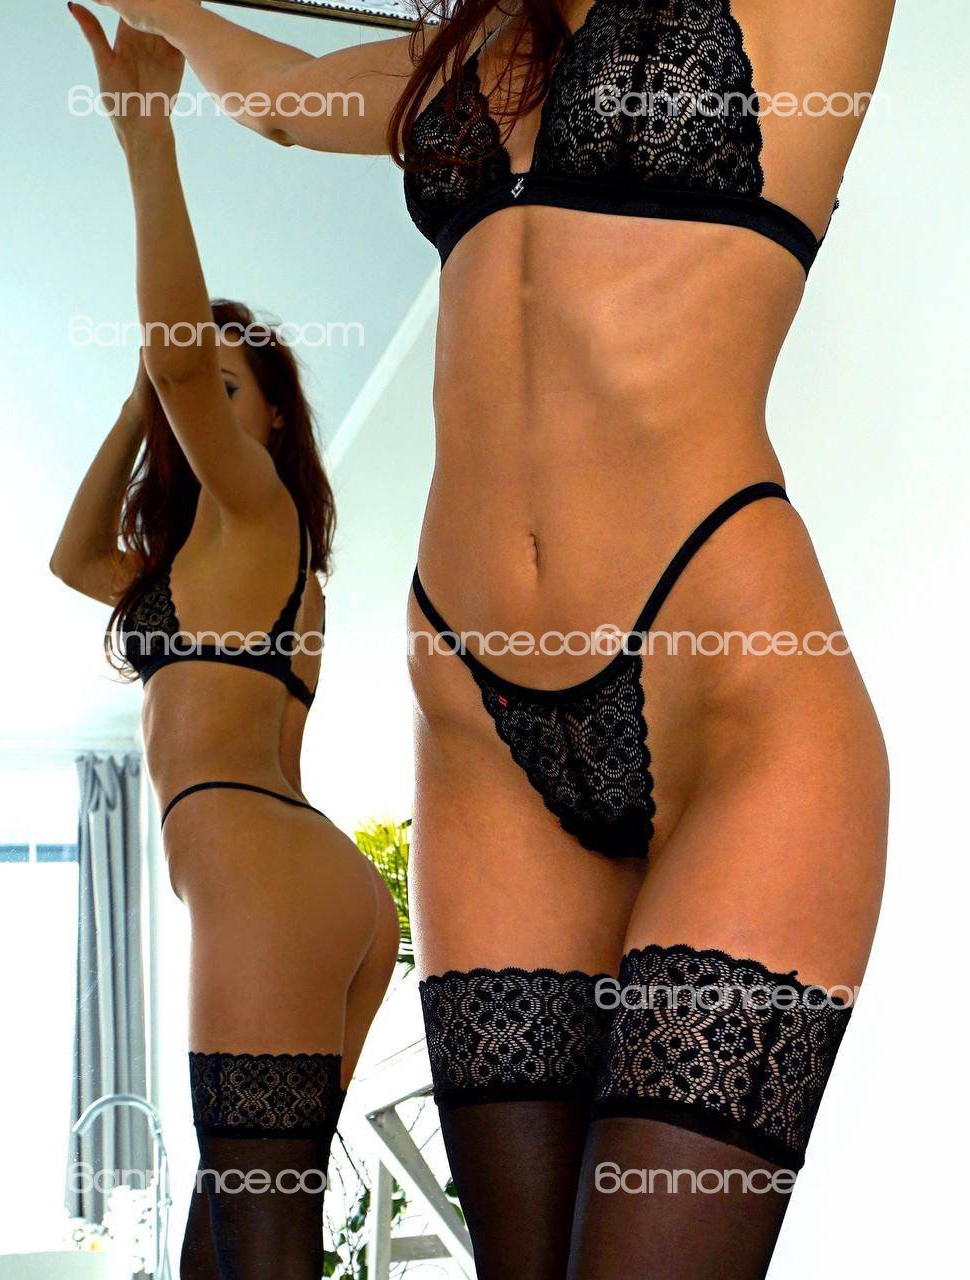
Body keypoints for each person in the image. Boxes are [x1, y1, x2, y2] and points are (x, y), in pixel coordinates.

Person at [81, 0, 895, 1274]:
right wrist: (162, 29)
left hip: (730, 683)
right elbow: (281, 98)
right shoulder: (466, 54)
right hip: (480, 730)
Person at [53, 11, 398, 1276]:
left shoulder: (261, 511)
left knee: (258, 1245)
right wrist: (140, 399)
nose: (195, 386)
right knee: (228, 1245)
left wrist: (147, 138)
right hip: (301, 884)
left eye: (226, 382)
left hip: (266, 874)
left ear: (274, 421)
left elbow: (185, 365)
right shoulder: (203, 562)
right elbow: (72, 559)